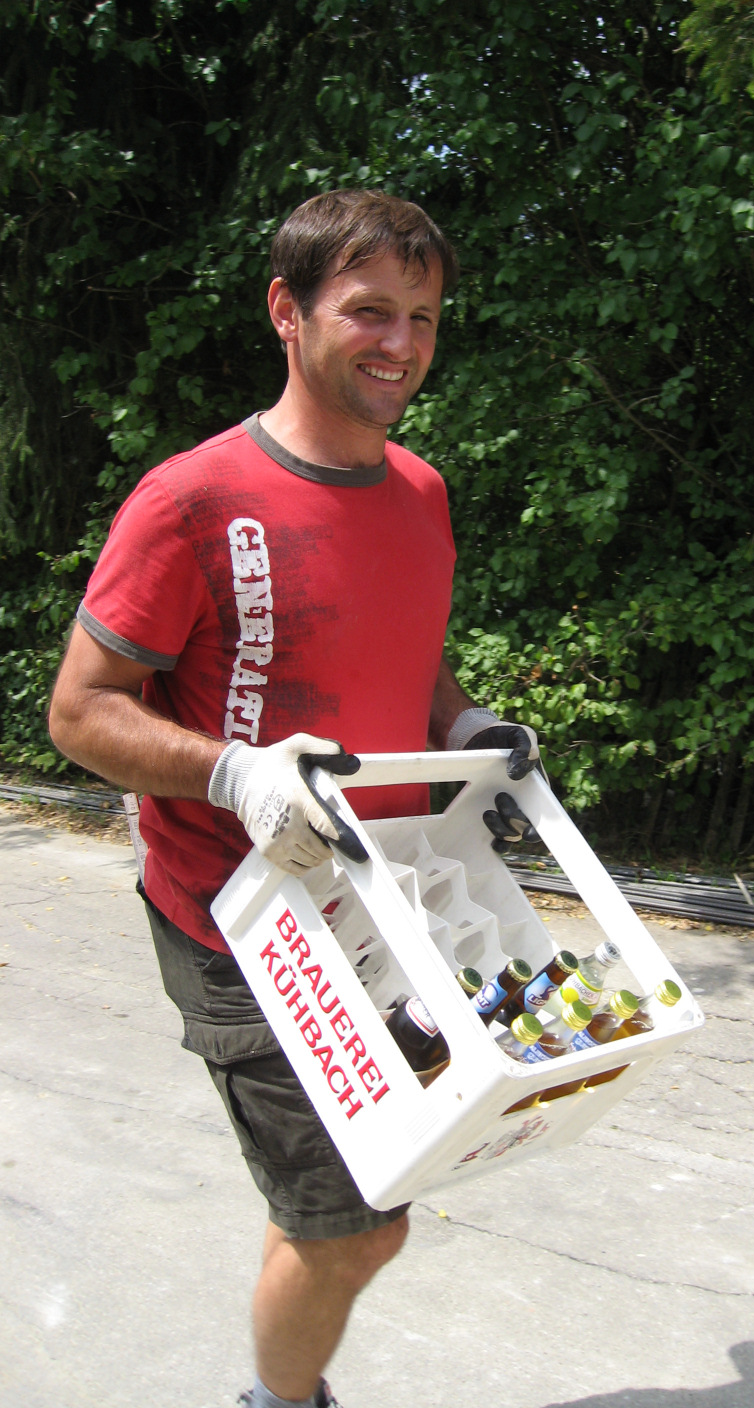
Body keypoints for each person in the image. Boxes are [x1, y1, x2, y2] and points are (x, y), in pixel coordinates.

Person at [48, 189, 540, 1408]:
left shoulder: (420, 492)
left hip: (379, 907)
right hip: (240, 916)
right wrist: (238, 769)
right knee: (353, 1224)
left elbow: (408, 652)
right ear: (288, 310)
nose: (401, 343)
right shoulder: (193, 500)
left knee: (361, 1188)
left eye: (423, 317)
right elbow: (81, 709)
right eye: (369, 309)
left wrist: (464, 725)